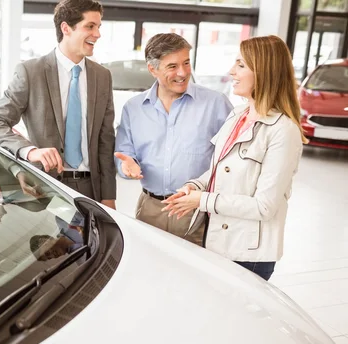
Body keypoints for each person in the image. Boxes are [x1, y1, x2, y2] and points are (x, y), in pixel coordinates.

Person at [161, 35, 308, 281]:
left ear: (264, 72)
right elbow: (220, 169)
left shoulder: (283, 130)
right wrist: (195, 186)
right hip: (218, 243)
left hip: (248, 254)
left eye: (241, 65)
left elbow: (264, 206)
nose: (232, 71)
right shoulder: (238, 115)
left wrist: (202, 200)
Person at [0, 0, 117, 210]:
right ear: (66, 28)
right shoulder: (31, 72)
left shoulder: (103, 76)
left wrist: (109, 197)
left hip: (91, 190)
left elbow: (106, 140)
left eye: (99, 27)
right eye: (90, 26)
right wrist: (30, 151)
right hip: (44, 187)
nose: (98, 34)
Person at [114, 33, 233, 244]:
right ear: (153, 69)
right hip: (150, 208)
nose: (183, 72)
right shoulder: (133, 109)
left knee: (196, 273)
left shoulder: (216, 104)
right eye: (172, 66)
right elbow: (124, 153)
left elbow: (231, 160)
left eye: (186, 63)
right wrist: (126, 166)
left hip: (198, 209)